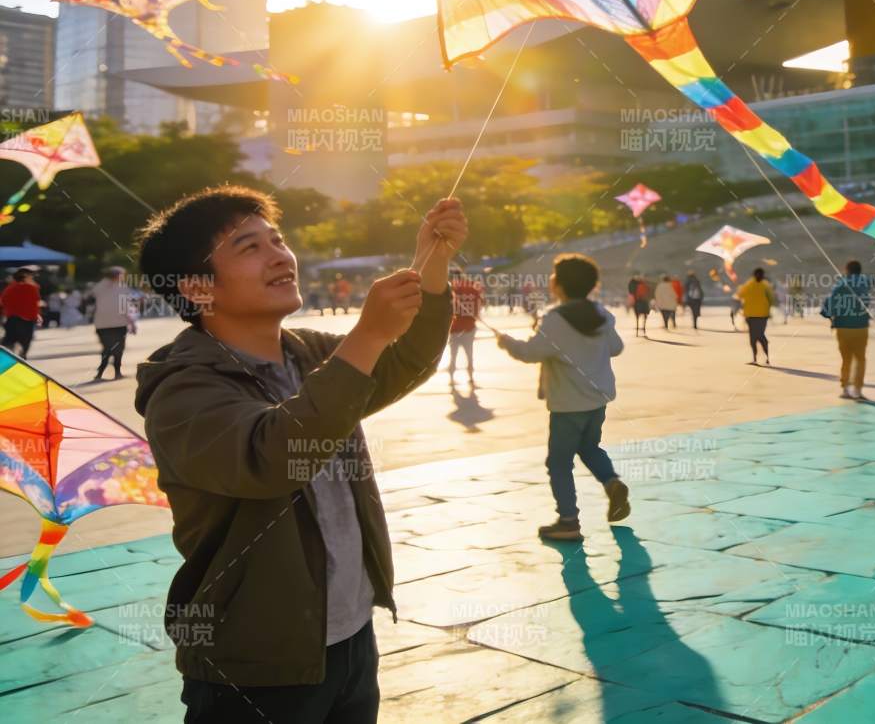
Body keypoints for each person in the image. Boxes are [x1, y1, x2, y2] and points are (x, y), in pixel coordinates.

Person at [134, 185, 466, 723]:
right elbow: (272, 459)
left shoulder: (309, 351)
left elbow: (405, 361)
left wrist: (431, 266)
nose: (280, 255)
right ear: (197, 289)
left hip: (351, 636)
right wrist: (365, 335)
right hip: (255, 663)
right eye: (249, 247)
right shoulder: (182, 391)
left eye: (278, 240)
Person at [498, 253, 630, 541]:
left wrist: (506, 342)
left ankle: (568, 521)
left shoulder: (556, 320)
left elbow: (529, 353)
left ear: (560, 285)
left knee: (558, 463)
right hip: (597, 400)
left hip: (568, 404)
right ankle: (611, 482)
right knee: (590, 447)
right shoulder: (601, 314)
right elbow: (617, 347)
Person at [821, 260, 872, 400]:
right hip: (861, 326)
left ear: (847, 270)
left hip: (843, 327)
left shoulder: (840, 284)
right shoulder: (866, 283)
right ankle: (858, 390)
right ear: (860, 271)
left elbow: (828, 305)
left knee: (846, 359)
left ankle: (845, 389)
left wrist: (828, 316)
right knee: (860, 359)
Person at [90, 266, 137, 381]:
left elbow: (93, 295)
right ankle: (117, 373)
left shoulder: (99, 287)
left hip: (101, 324)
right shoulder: (122, 288)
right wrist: (132, 323)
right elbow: (125, 307)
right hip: (119, 323)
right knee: (118, 349)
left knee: (107, 348)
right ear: (118, 276)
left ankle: (100, 373)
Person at [448, 268, 485, 386]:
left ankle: (452, 378)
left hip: (454, 328)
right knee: (469, 353)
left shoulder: (450, 289)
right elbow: (481, 302)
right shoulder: (473, 287)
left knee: (453, 354)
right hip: (469, 326)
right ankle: (471, 377)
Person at [0, 267, 42, 356]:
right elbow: (35, 301)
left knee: (9, 343)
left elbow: (3, 302)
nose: (33, 279)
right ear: (25, 276)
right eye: (31, 277)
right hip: (27, 320)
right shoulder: (30, 288)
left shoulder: (9, 288)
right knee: (24, 345)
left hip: (12, 319)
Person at [737, 267, 775, 365]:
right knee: (756, 336)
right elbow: (772, 299)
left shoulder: (750, 284)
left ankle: (762, 357)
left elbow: (740, 295)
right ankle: (759, 358)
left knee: (757, 336)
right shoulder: (764, 285)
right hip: (756, 315)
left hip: (757, 315)